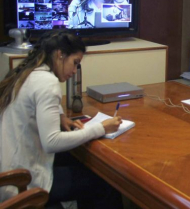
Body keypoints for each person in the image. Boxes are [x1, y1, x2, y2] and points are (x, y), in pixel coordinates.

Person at [0, 31, 124, 207]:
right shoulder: (47, 82)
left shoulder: (28, 73)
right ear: (60, 54)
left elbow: (34, 103)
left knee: (78, 161)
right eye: (75, 63)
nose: (74, 71)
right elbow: (52, 142)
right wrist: (101, 128)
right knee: (105, 183)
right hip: (23, 184)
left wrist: (60, 116)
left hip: (11, 173)